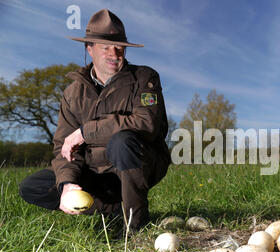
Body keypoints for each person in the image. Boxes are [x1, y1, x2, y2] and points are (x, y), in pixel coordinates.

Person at [19, 9, 171, 237]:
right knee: (33, 186)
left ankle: (136, 222)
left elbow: (146, 122)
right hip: (94, 172)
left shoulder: (144, 78)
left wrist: (85, 132)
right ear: (89, 49)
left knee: (122, 141)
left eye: (120, 46)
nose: (114, 53)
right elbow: (65, 148)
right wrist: (67, 185)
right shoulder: (73, 93)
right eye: (105, 47)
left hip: (136, 163)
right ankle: (113, 211)